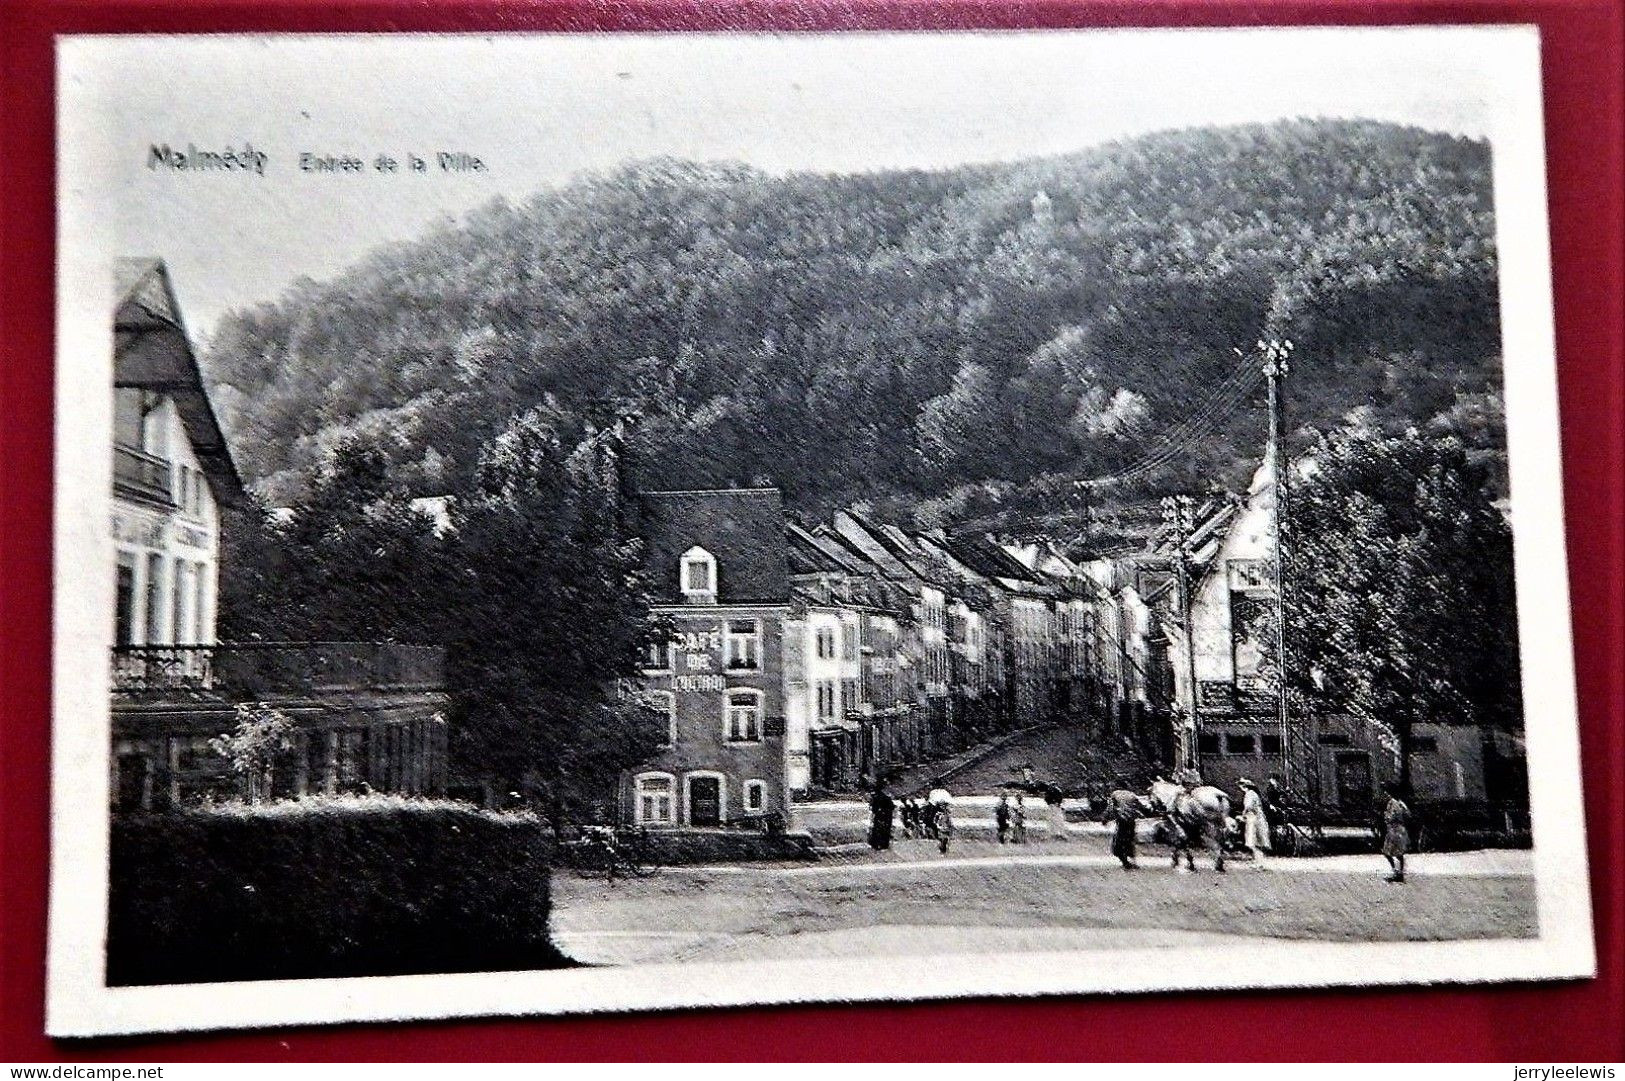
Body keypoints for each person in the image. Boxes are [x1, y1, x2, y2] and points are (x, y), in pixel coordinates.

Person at [1103, 780, 1143, 869]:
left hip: (1122, 820)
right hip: (1131, 821)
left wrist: (1105, 818)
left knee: (1119, 841)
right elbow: (1139, 807)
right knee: (1129, 839)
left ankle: (1125, 861)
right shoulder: (1132, 795)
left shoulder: (1115, 795)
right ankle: (1131, 860)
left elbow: (1110, 808)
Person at [1381, 783, 1411, 883]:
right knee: (1398, 853)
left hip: (1394, 829)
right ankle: (1399, 873)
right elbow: (1408, 814)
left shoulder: (1392, 803)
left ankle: (1396, 872)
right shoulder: (1400, 803)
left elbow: (1390, 816)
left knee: (1389, 852)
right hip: (1399, 829)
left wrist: (1387, 817)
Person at [1239, 778, 1271, 867]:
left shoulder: (1249, 794)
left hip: (1253, 819)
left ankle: (1260, 863)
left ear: (1245, 786)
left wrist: (1243, 815)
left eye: (1242, 785)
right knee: (1257, 843)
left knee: (1254, 842)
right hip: (1258, 818)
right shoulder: (1254, 794)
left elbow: (1249, 806)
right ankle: (1260, 863)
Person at [927, 781, 953, 854]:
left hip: (937, 811)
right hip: (944, 812)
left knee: (935, 826)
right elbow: (950, 802)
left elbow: (931, 803)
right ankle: (943, 840)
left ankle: (941, 840)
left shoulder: (933, 792)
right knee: (946, 827)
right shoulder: (945, 792)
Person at [868, 783, 895, 851]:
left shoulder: (877, 797)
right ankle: (883, 844)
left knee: (878, 830)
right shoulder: (885, 797)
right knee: (884, 830)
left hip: (880, 816)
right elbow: (892, 807)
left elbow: (874, 809)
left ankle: (877, 844)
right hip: (886, 817)